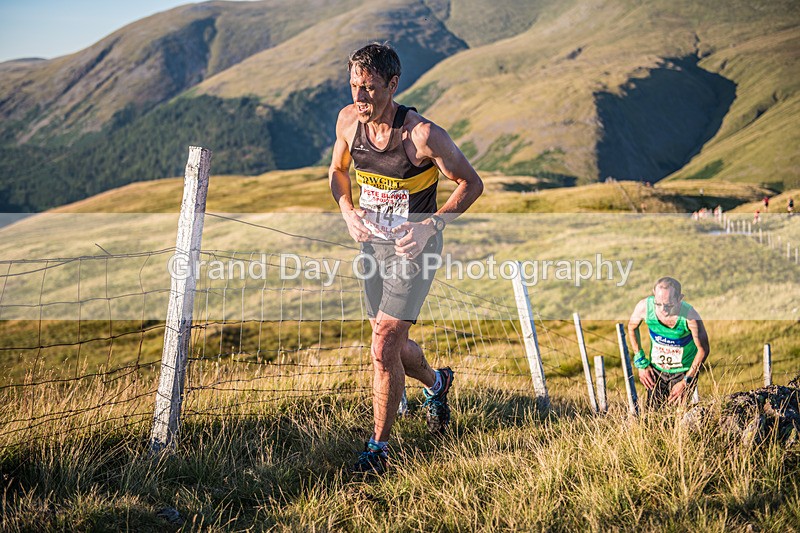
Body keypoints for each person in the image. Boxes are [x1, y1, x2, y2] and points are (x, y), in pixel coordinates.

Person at [328, 43, 484, 475]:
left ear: (393, 85)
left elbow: (471, 183)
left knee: (381, 348)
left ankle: (378, 449)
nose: (361, 99)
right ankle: (438, 383)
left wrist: (429, 225)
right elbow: (338, 172)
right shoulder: (347, 120)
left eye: (371, 89)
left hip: (414, 250)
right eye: (355, 86)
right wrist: (347, 211)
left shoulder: (421, 135)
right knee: (388, 344)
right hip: (371, 248)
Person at [627, 277, 710, 408]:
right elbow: (632, 328)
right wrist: (641, 363)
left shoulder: (690, 317)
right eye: (658, 304)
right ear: (654, 293)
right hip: (657, 371)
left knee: (678, 418)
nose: (663, 310)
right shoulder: (644, 307)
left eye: (669, 305)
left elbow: (703, 350)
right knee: (653, 417)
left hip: (683, 372)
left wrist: (686, 381)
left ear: (679, 298)